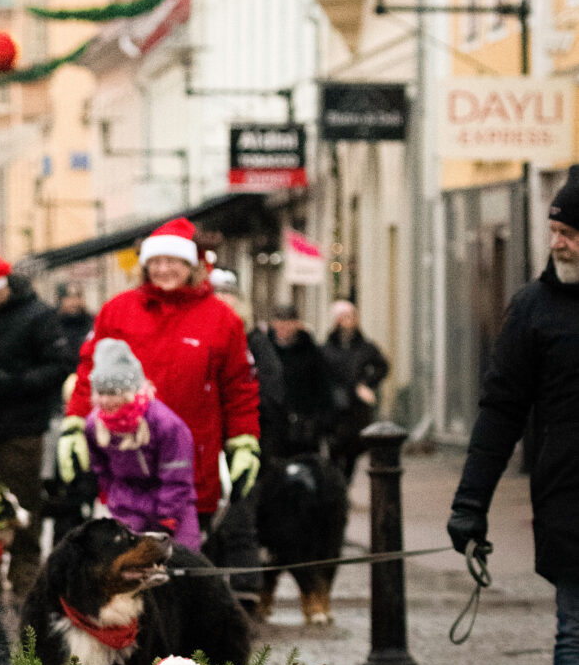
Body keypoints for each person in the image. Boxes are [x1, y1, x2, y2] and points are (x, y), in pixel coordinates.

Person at [448, 168, 579, 665]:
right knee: (574, 636)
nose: (558, 244)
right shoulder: (532, 308)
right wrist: (469, 502)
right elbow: (499, 408)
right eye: (554, 230)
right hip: (566, 497)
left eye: (570, 233)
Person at [61, 217, 261, 543]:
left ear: (191, 265)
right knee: (128, 565)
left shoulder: (223, 319)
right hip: (127, 462)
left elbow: (240, 388)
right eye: (156, 262)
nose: (164, 269)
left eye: (173, 261)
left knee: (182, 566)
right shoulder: (117, 311)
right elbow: (89, 374)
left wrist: (244, 443)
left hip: (191, 466)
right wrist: (75, 424)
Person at [0, 249, 74, 599]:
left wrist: (15, 382)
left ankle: (25, 590)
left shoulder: (37, 315)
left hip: (23, 429)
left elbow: (58, 365)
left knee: (23, 511)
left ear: (2, 286)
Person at [84, 339, 200, 548]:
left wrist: (167, 516)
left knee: (181, 565)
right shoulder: (94, 425)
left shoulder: (165, 425)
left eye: (113, 393)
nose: (105, 401)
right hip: (127, 507)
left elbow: (177, 476)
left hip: (172, 509)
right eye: (100, 393)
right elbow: (101, 469)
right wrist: (113, 497)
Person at [323, 300, 389, 481]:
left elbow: (382, 367)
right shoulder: (327, 348)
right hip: (334, 409)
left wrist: (366, 384)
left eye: (350, 317)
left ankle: (344, 485)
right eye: (342, 317)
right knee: (335, 451)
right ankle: (337, 488)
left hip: (356, 409)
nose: (347, 321)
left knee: (353, 450)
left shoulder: (366, 347)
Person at [267, 302, 334, 455]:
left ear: (297, 324)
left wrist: (319, 423)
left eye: (288, 323)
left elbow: (323, 389)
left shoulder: (311, 352)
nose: (283, 327)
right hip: (272, 427)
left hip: (304, 429)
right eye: (279, 322)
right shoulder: (265, 351)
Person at [55, 281, 94, 361]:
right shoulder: (52, 324)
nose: (74, 302)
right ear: (60, 300)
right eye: (68, 297)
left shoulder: (92, 322)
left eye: (78, 296)